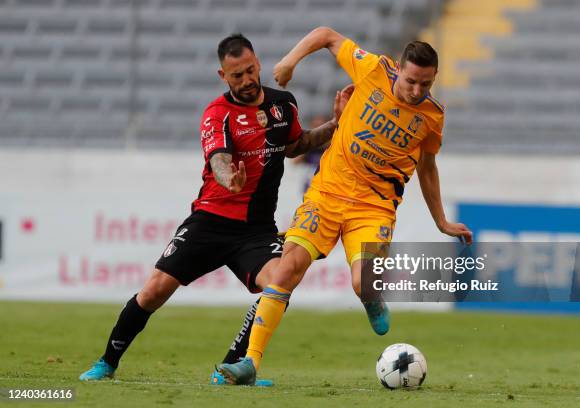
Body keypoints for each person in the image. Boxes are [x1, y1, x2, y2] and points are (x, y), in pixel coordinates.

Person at [78, 33, 351, 385]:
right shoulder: (217, 113)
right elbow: (219, 159)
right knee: (154, 291)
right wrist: (229, 180)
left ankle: (231, 369)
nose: (247, 80)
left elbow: (297, 145)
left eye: (250, 71)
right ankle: (107, 362)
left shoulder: (283, 105)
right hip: (211, 221)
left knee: (280, 282)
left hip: (255, 230)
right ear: (224, 76)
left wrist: (336, 124)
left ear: (258, 65)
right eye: (237, 75)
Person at [217, 27, 473, 385]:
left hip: (374, 206)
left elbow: (428, 167)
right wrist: (290, 61)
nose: (417, 91)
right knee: (286, 269)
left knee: (363, 282)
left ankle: (371, 297)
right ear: (399, 69)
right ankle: (251, 362)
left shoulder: (432, 116)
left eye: (426, 84)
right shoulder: (372, 69)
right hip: (326, 195)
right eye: (412, 81)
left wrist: (441, 221)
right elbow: (326, 35)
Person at [293, 115, 331, 193]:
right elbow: (295, 162)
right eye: (316, 127)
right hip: (309, 189)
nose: (319, 131)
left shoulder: (331, 146)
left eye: (320, 127)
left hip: (325, 189)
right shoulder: (309, 146)